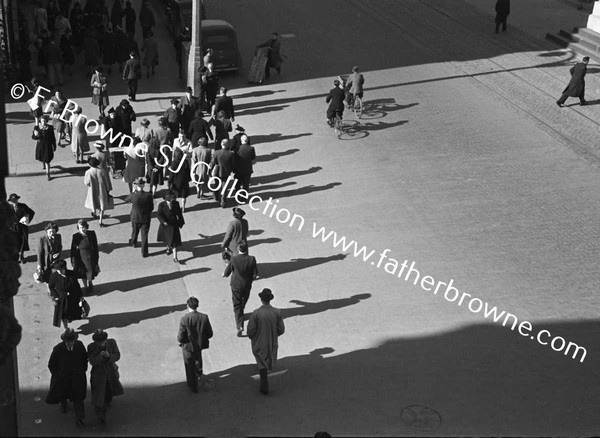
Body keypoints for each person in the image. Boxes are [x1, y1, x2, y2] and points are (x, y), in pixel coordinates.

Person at [45, 328, 88, 428]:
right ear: (64, 341)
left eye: (71, 341)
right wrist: (58, 375)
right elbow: (51, 365)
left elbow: (84, 358)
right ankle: (63, 404)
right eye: (67, 342)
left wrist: (82, 370)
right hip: (63, 379)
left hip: (77, 378)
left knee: (78, 398)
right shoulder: (57, 349)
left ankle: (79, 418)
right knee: (63, 394)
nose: (69, 344)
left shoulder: (80, 345)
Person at [247, 288, 285, 395]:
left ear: (261, 300)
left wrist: (252, 337)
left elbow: (250, 331)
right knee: (269, 357)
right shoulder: (277, 312)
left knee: (261, 361)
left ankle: (264, 386)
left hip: (259, 341)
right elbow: (281, 329)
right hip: (272, 341)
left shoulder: (256, 313)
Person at [87, 329, 124, 429]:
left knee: (110, 390)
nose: (101, 343)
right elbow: (93, 362)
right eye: (99, 342)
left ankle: (108, 401)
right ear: (95, 341)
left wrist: (108, 356)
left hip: (111, 372)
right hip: (98, 376)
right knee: (99, 397)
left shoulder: (112, 343)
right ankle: (101, 417)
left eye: (103, 341)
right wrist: (100, 356)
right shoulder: (91, 347)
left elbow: (117, 355)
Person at [177, 296, 213, 393]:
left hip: (187, 346)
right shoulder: (204, 317)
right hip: (199, 345)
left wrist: (183, 341)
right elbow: (210, 333)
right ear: (197, 306)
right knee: (198, 360)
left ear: (188, 305)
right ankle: (198, 374)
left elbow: (180, 337)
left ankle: (191, 383)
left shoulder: (184, 319)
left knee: (189, 364)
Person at [223, 242, 258, 336]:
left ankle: (240, 326)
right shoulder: (252, 259)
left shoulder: (234, 259)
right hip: (247, 285)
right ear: (246, 249)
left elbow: (227, 272)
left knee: (237, 304)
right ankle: (240, 313)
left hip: (236, 285)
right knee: (243, 301)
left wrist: (224, 274)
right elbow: (255, 274)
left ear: (238, 249)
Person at [48, 259, 84, 329]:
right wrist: (55, 296)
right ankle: (66, 328)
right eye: (58, 270)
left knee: (72, 312)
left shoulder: (71, 274)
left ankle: (69, 318)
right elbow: (51, 287)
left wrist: (81, 296)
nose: (59, 272)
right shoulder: (54, 276)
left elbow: (77, 286)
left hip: (72, 298)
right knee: (63, 315)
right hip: (61, 299)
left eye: (61, 270)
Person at [125, 177, 154, 257]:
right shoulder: (148, 195)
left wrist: (133, 192)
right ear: (143, 185)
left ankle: (133, 242)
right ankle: (144, 252)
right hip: (145, 218)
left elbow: (126, 200)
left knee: (135, 231)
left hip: (135, 217)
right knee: (144, 235)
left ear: (136, 185)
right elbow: (151, 208)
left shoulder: (134, 195)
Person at [70, 219, 100, 295]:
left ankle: (90, 283)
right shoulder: (76, 236)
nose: (82, 229)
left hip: (90, 256)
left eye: (84, 227)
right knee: (83, 273)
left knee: (90, 272)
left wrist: (96, 259)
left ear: (86, 227)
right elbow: (73, 249)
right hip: (81, 257)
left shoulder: (92, 234)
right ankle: (85, 286)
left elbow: (95, 247)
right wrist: (73, 261)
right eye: (80, 228)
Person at [84, 156, 113, 227]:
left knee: (93, 202)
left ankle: (94, 213)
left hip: (93, 190)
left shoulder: (88, 172)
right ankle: (100, 221)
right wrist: (108, 189)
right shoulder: (102, 171)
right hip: (102, 190)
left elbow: (86, 182)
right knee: (102, 205)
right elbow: (106, 182)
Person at [157, 190, 185, 262]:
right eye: (172, 198)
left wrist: (181, 222)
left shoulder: (176, 203)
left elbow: (179, 214)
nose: (174, 199)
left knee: (174, 242)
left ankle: (175, 257)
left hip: (174, 224)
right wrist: (163, 222)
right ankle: (168, 247)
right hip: (166, 225)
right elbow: (159, 215)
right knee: (167, 239)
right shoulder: (161, 205)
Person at [7, 193, 36, 263]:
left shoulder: (23, 206)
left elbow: (32, 212)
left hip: (22, 227)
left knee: (23, 242)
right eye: (13, 201)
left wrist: (27, 219)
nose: (15, 202)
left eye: (16, 200)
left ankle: (21, 256)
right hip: (13, 228)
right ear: (11, 201)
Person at [37, 222, 62, 292]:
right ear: (47, 231)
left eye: (53, 231)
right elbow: (40, 253)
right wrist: (39, 264)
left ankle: (55, 290)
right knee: (48, 278)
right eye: (50, 232)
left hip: (55, 261)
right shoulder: (42, 239)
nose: (52, 233)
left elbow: (60, 247)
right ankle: (50, 291)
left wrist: (58, 254)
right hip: (46, 262)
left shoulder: (58, 237)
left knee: (56, 276)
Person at [210, 139, 235, 207]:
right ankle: (223, 201)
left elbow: (212, 162)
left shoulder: (216, 152)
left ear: (221, 144)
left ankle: (216, 196)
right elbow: (232, 164)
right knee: (224, 187)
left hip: (217, 172)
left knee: (217, 184)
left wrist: (210, 170)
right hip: (226, 173)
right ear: (227, 145)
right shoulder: (231, 154)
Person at [33, 115, 56, 180]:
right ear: (40, 121)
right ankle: (44, 165)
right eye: (42, 121)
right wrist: (36, 135)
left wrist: (54, 145)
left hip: (47, 146)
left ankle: (48, 174)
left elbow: (52, 138)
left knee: (47, 160)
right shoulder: (37, 128)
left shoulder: (50, 128)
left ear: (46, 121)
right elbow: (33, 137)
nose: (43, 122)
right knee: (43, 157)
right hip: (40, 146)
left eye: (45, 121)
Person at [167, 147, 191, 212]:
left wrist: (169, 181)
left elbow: (172, 173)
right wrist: (189, 178)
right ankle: (183, 208)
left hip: (176, 181)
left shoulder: (174, 162)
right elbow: (188, 170)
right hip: (184, 180)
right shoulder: (185, 161)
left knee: (175, 196)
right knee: (184, 196)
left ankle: (175, 208)